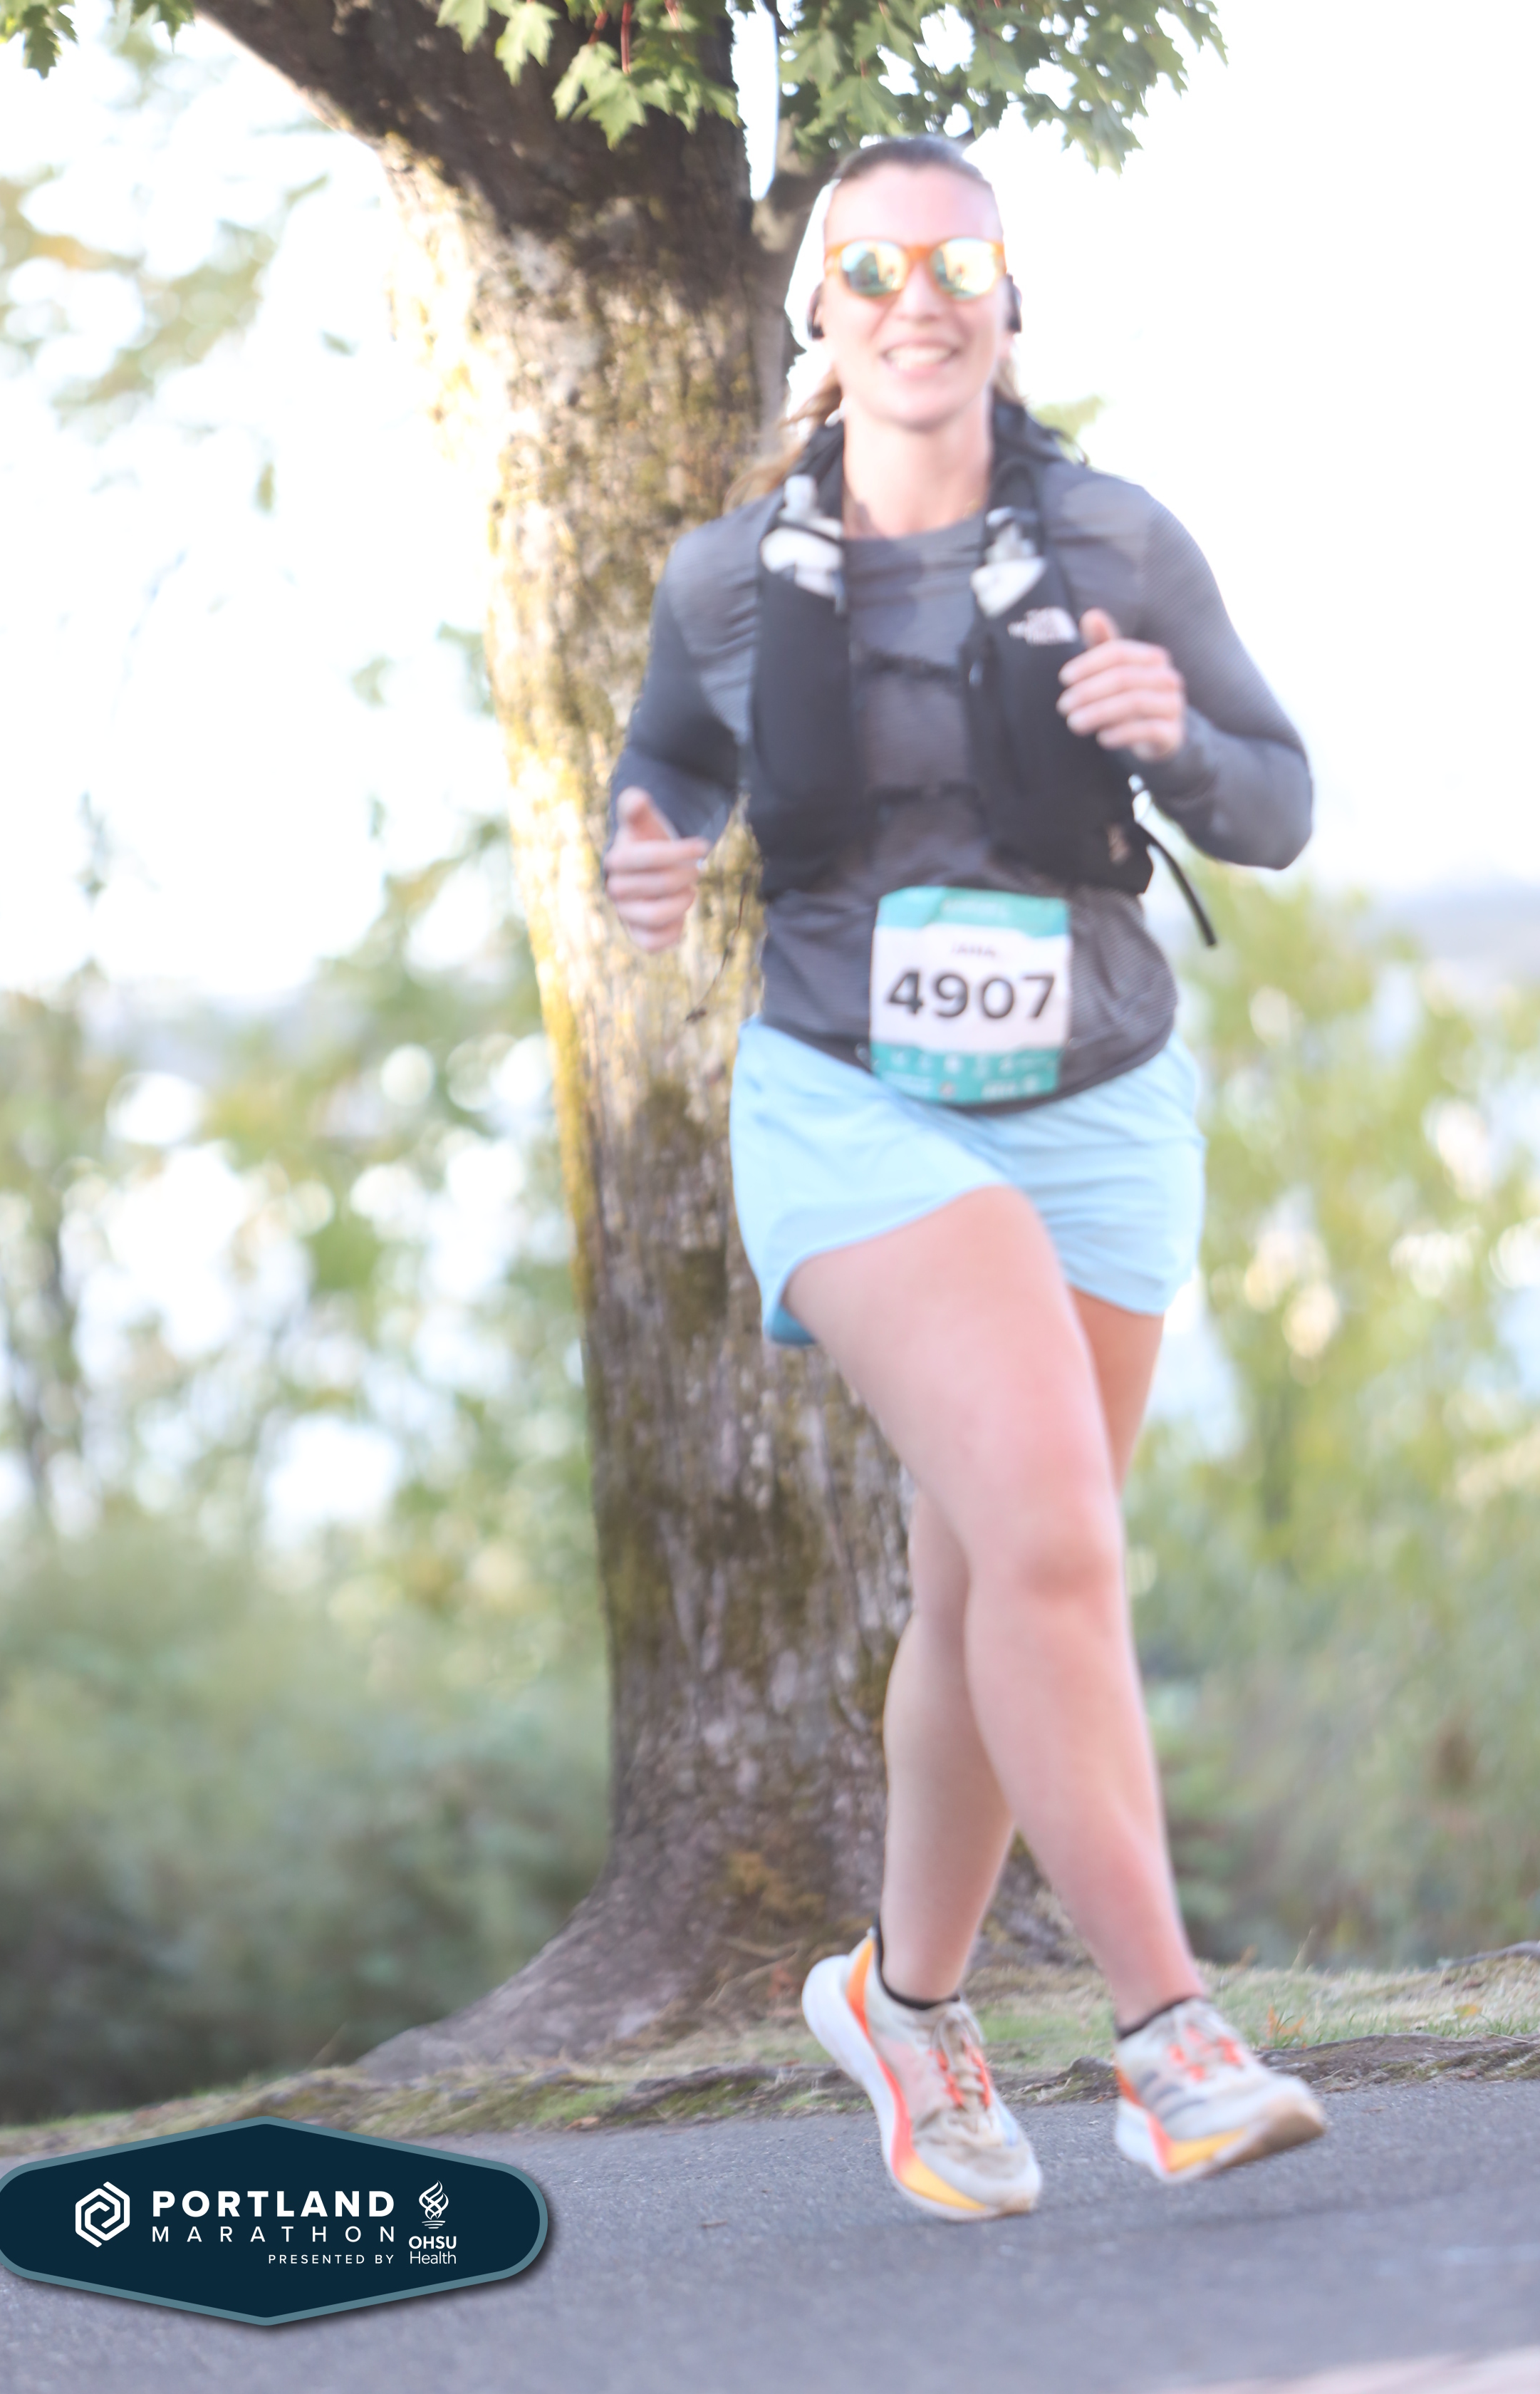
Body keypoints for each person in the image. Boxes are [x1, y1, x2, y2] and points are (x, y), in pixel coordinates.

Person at [603, 133, 1326, 2222]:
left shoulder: (1115, 536)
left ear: (1010, 305)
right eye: (874, 267)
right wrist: (650, 848)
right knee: (1060, 1541)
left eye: (960, 262)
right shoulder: (730, 578)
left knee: (995, 1586)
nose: (918, 297)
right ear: (820, 320)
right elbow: (670, 758)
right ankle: (1171, 2035)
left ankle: (902, 2009)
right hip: (855, 1104)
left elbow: (1274, 806)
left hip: (1098, 1103)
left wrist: (1170, 732)